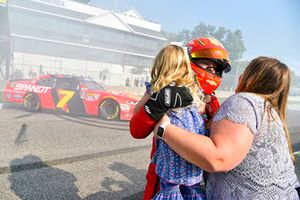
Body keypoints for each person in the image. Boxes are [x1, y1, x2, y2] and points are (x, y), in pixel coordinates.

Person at [154, 56, 300, 199]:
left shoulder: (244, 101)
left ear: (249, 77)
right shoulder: (269, 110)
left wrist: (165, 129)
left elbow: (219, 158)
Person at [130, 37, 231, 200]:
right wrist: (157, 103)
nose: (212, 72)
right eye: (208, 65)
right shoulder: (163, 89)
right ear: (187, 61)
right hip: (165, 182)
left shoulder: (211, 101)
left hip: (197, 182)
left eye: (216, 69)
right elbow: (136, 130)